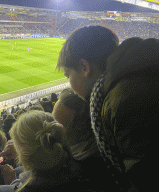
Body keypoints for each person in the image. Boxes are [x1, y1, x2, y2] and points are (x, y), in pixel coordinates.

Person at [57, 26, 159, 191]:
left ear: (84, 67)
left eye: (68, 75)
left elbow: (147, 181)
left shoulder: (124, 101)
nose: (71, 86)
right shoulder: (137, 78)